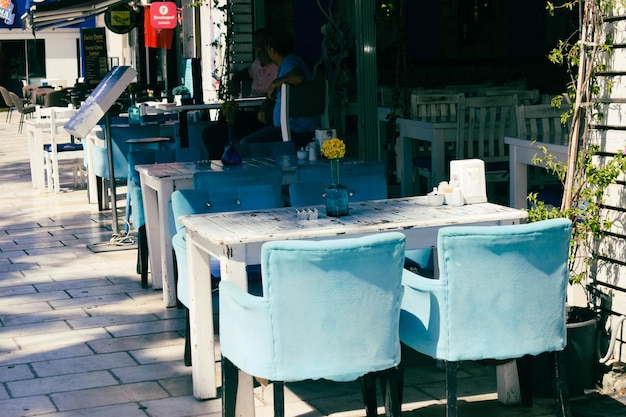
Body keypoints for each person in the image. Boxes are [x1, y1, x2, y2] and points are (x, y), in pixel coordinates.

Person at [202, 28, 278, 158]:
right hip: (249, 113)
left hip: (264, 116)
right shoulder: (257, 64)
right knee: (208, 132)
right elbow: (246, 73)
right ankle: (220, 162)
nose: (260, 48)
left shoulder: (278, 67)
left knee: (227, 115)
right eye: (256, 45)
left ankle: (216, 161)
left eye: (263, 44)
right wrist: (235, 79)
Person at [239, 30, 318, 149]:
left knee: (246, 144)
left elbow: (298, 76)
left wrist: (275, 83)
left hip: (293, 129)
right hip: (295, 127)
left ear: (272, 51)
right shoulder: (292, 61)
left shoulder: (289, 62)